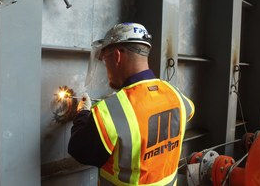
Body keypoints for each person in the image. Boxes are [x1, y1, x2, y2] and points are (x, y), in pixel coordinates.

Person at [68, 22, 195, 185]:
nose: (107, 70)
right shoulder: (176, 95)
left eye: (106, 61)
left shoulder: (111, 111)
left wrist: (82, 114)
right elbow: (189, 111)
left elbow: (79, 150)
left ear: (117, 57)